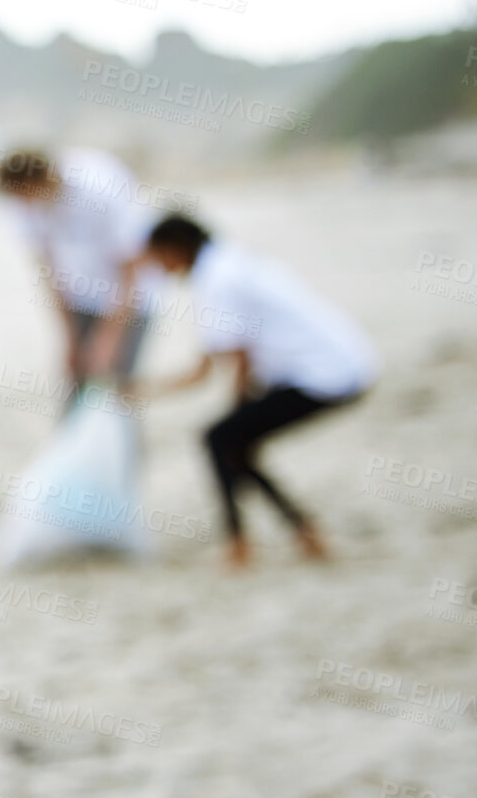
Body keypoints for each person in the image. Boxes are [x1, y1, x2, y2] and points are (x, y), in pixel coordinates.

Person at [138, 214, 377, 568]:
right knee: (233, 442)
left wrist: (234, 409)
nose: (160, 268)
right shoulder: (231, 260)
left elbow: (233, 361)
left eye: (160, 258)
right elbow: (217, 363)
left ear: (175, 249)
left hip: (323, 375)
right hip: (346, 362)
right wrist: (145, 391)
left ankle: (240, 544)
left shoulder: (217, 279)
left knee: (222, 440)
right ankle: (302, 531)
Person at [0, 147, 161, 401]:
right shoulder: (25, 205)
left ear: (36, 182)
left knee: (116, 386)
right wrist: (69, 339)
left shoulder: (99, 190)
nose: (23, 206)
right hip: (81, 298)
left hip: (132, 300)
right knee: (75, 386)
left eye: (24, 196)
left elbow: (132, 270)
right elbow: (49, 271)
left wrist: (108, 340)